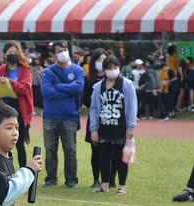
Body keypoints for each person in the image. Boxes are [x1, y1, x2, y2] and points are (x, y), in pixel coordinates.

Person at [89, 55, 137, 195]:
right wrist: (93, 129)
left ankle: (121, 186)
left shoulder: (126, 85)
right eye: (109, 68)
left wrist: (131, 127)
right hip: (104, 127)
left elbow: (133, 106)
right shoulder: (98, 87)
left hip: (121, 128)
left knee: (121, 158)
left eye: (115, 67)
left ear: (120, 68)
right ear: (104, 70)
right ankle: (104, 185)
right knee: (104, 157)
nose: (112, 70)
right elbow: (93, 109)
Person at [40, 40, 84, 189]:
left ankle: (71, 180)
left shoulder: (78, 70)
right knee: (50, 149)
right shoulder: (47, 71)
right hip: (50, 116)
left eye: (64, 49)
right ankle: (51, 179)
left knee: (70, 150)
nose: (62, 53)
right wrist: (67, 90)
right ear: (54, 55)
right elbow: (46, 91)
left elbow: (78, 88)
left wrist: (57, 87)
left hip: (69, 116)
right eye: (59, 51)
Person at [0, 41, 33, 168]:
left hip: (20, 109)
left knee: (19, 143)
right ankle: (5, 170)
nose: (14, 55)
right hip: (4, 108)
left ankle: (23, 171)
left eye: (16, 52)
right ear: (5, 55)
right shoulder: (1, 69)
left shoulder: (24, 69)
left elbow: (24, 89)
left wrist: (9, 82)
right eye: (11, 53)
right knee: (3, 142)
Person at [82, 48, 107, 189]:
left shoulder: (111, 79)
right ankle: (96, 179)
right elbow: (85, 100)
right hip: (95, 119)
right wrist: (93, 99)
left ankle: (110, 178)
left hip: (110, 118)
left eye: (104, 59)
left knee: (110, 150)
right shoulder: (89, 80)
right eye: (98, 60)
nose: (101, 63)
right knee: (95, 151)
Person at [142, 57, 169, 121]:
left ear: (148, 63)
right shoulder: (156, 69)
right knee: (159, 102)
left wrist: (153, 89)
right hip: (157, 87)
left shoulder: (150, 70)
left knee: (144, 102)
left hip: (152, 88)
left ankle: (138, 115)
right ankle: (164, 115)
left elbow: (151, 79)